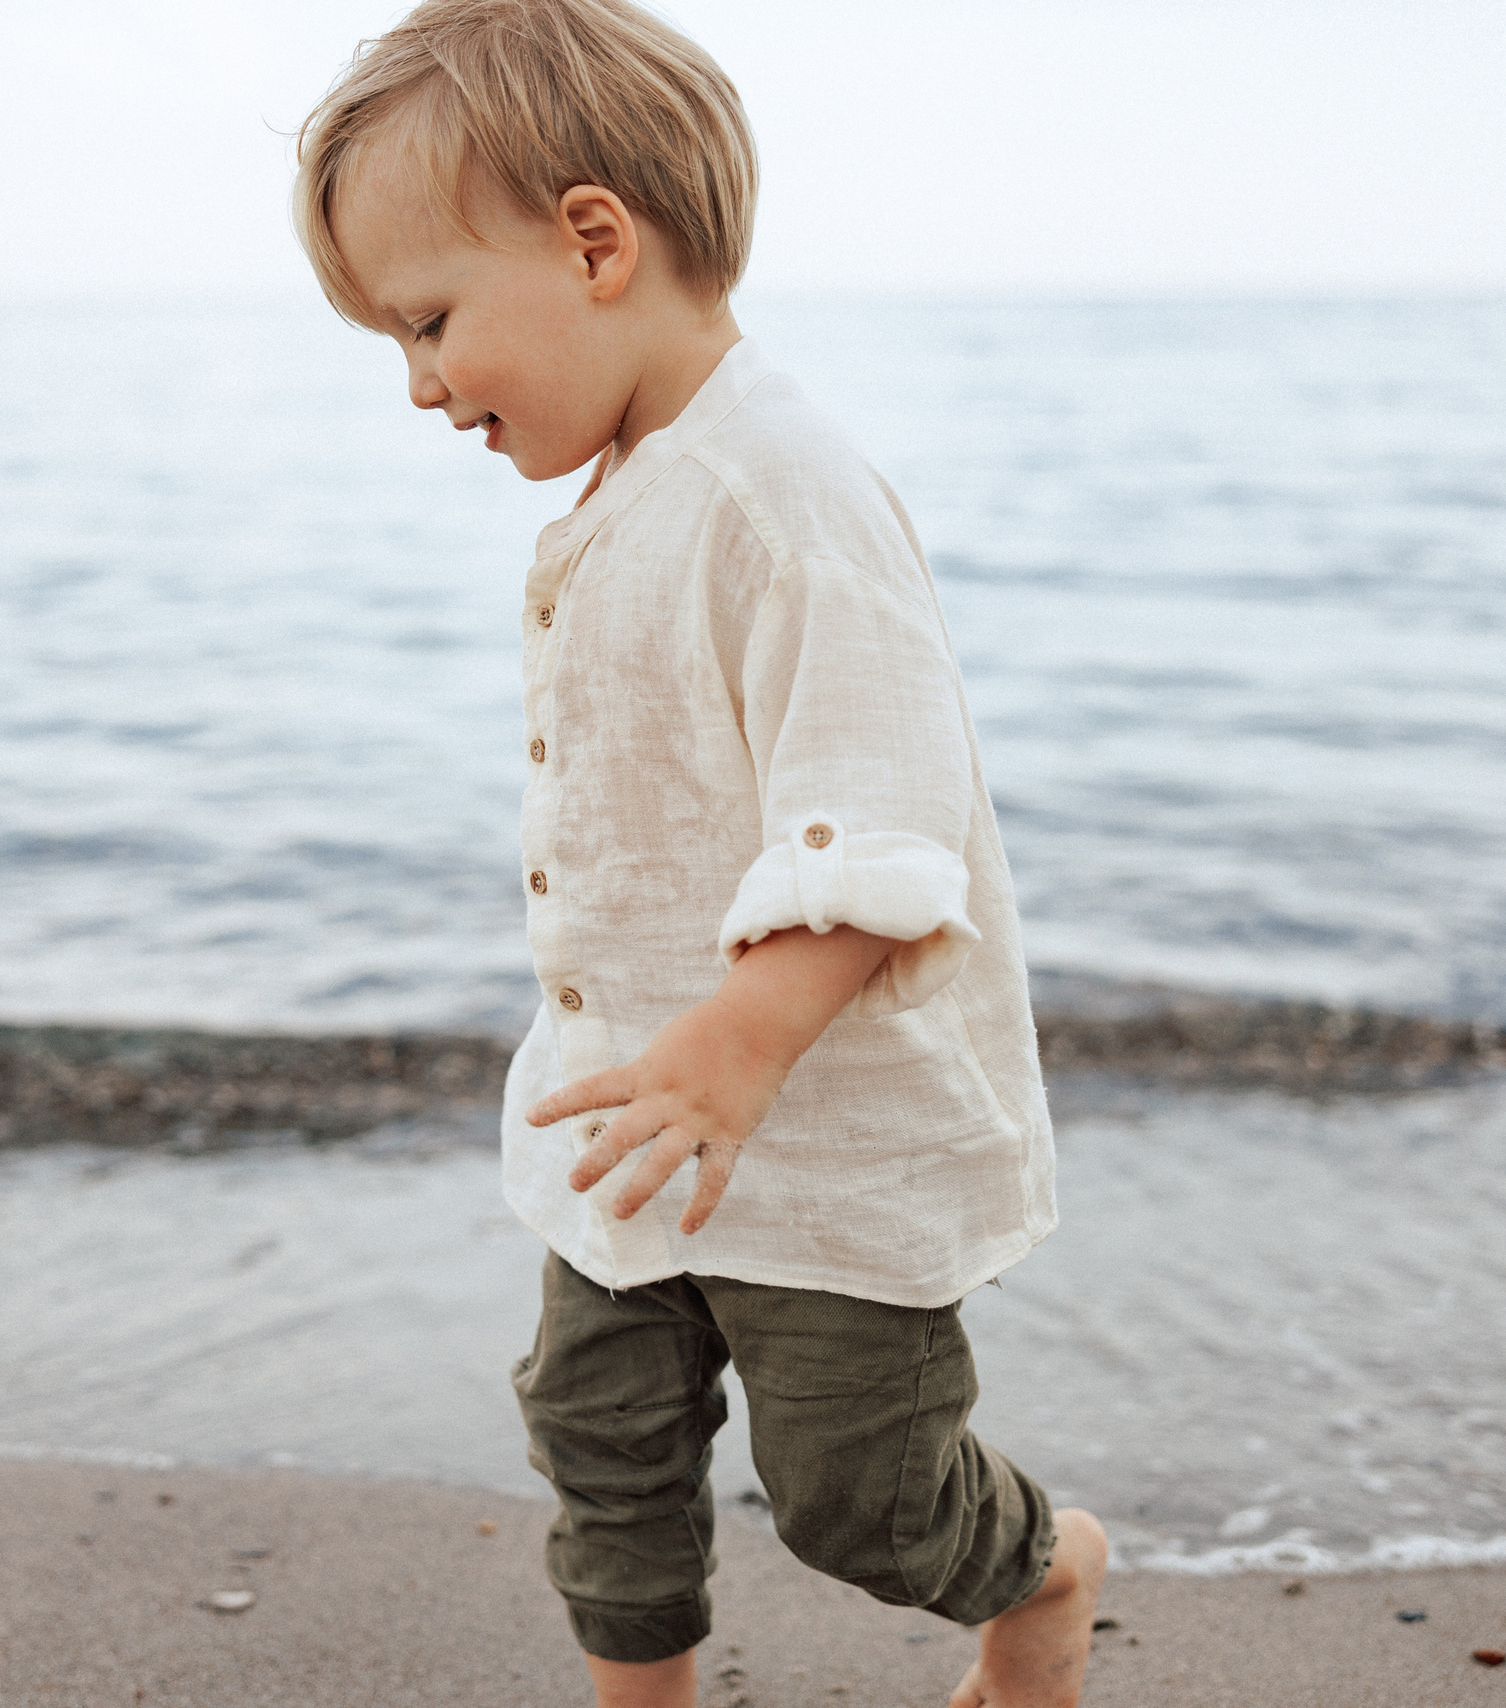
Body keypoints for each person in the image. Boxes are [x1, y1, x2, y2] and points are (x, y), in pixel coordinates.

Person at [293, 3, 1104, 1703]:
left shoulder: (778, 490)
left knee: (861, 1501)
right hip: (629, 1133)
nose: (422, 386)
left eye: (430, 321)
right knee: (598, 1441)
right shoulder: (629, 491)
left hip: (805, 1143)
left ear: (596, 241)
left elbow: (885, 821)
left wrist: (732, 1055)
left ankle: (1042, 1575)